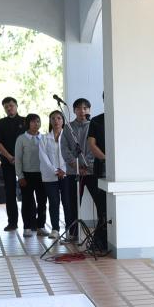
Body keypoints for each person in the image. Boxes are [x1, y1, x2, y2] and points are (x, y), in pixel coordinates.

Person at [0, 97, 30, 232]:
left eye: (11, 105)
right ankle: (12, 222)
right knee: (10, 192)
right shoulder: (0, 123)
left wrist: (20, 158)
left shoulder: (25, 121)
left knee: (27, 192)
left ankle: (29, 223)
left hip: (25, 162)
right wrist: (9, 157)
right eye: (6, 107)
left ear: (16, 106)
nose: (9, 108)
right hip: (8, 161)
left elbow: (30, 140)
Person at [65, 98, 96, 242]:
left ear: (89, 110)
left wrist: (87, 164)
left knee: (100, 201)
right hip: (74, 172)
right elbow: (64, 148)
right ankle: (73, 233)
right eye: (78, 108)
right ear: (74, 110)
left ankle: (101, 233)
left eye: (85, 108)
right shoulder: (68, 127)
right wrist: (76, 165)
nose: (82, 111)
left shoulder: (93, 126)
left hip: (91, 171)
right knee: (73, 203)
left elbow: (94, 147)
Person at [13, 113, 46, 235]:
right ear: (27, 123)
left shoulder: (44, 138)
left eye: (38, 121)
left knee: (42, 202)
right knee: (27, 202)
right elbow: (18, 159)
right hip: (26, 175)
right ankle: (27, 227)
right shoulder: (21, 139)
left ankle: (41, 226)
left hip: (42, 175)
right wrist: (20, 176)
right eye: (33, 121)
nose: (36, 124)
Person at [40, 110, 70, 234]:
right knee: (53, 202)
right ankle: (55, 229)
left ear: (63, 121)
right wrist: (55, 170)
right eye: (53, 118)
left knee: (67, 202)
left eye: (59, 118)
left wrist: (64, 170)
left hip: (66, 174)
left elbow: (71, 155)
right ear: (50, 121)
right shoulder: (44, 138)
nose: (56, 121)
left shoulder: (69, 137)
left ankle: (70, 229)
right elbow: (43, 157)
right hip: (50, 176)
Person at [88, 100, 108, 252]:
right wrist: (107, 159)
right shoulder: (96, 121)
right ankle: (100, 242)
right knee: (102, 208)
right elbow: (92, 145)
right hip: (102, 167)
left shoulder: (125, 119)